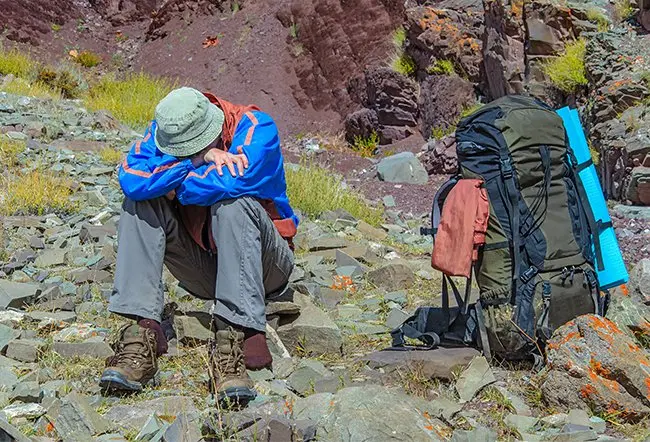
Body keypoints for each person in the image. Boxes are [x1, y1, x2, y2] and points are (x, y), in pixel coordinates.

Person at [99, 87, 298, 406]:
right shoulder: (165, 129)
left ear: (215, 126)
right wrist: (197, 159)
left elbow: (233, 181)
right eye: (180, 150)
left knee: (234, 203)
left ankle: (235, 336)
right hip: (206, 270)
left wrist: (169, 184)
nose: (184, 152)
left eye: (195, 146)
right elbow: (131, 179)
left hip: (266, 267)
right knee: (138, 203)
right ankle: (143, 333)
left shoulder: (257, 127)